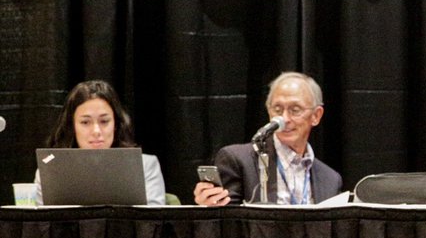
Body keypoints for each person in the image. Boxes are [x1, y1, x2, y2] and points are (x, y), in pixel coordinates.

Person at [193, 71, 342, 205]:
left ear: (316, 116)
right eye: (277, 109)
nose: (284, 119)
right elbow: (225, 226)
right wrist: (208, 209)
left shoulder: (330, 179)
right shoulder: (238, 161)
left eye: (295, 110)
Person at [36, 79, 166, 205]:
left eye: (104, 121)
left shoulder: (146, 166)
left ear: (116, 124)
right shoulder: (50, 170)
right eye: (85, 122)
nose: (96, 131)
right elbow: (41, 224)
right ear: (72, 126)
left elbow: (153, 222)